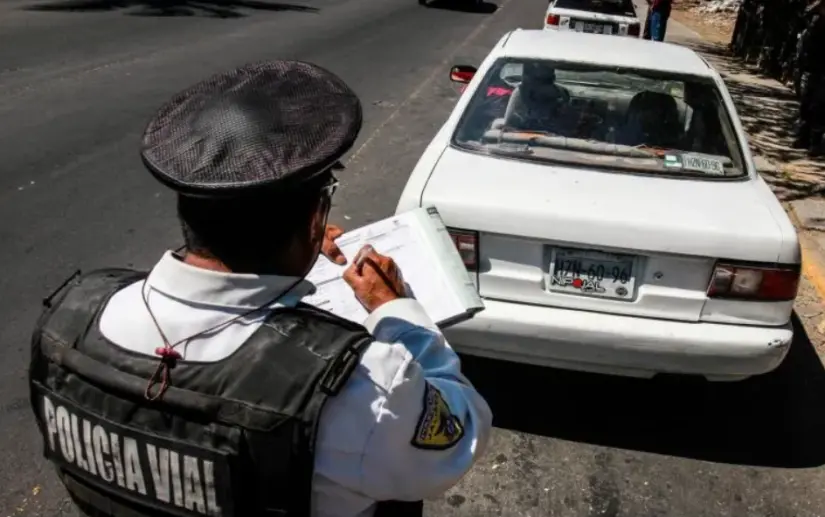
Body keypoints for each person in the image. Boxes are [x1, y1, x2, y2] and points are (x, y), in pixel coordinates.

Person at [28, 60, 493, 517]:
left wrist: (301, 244)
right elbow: (459, 434)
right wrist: (396, 311)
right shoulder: (365, 389)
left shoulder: (71, 318)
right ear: (316, 216)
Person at [793, 0, 825, 157]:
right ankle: (803, 138)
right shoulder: (815, 21)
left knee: (819, 108)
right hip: (811, 69)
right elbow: (804, 14)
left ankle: (815, 143)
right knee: (806, 104)